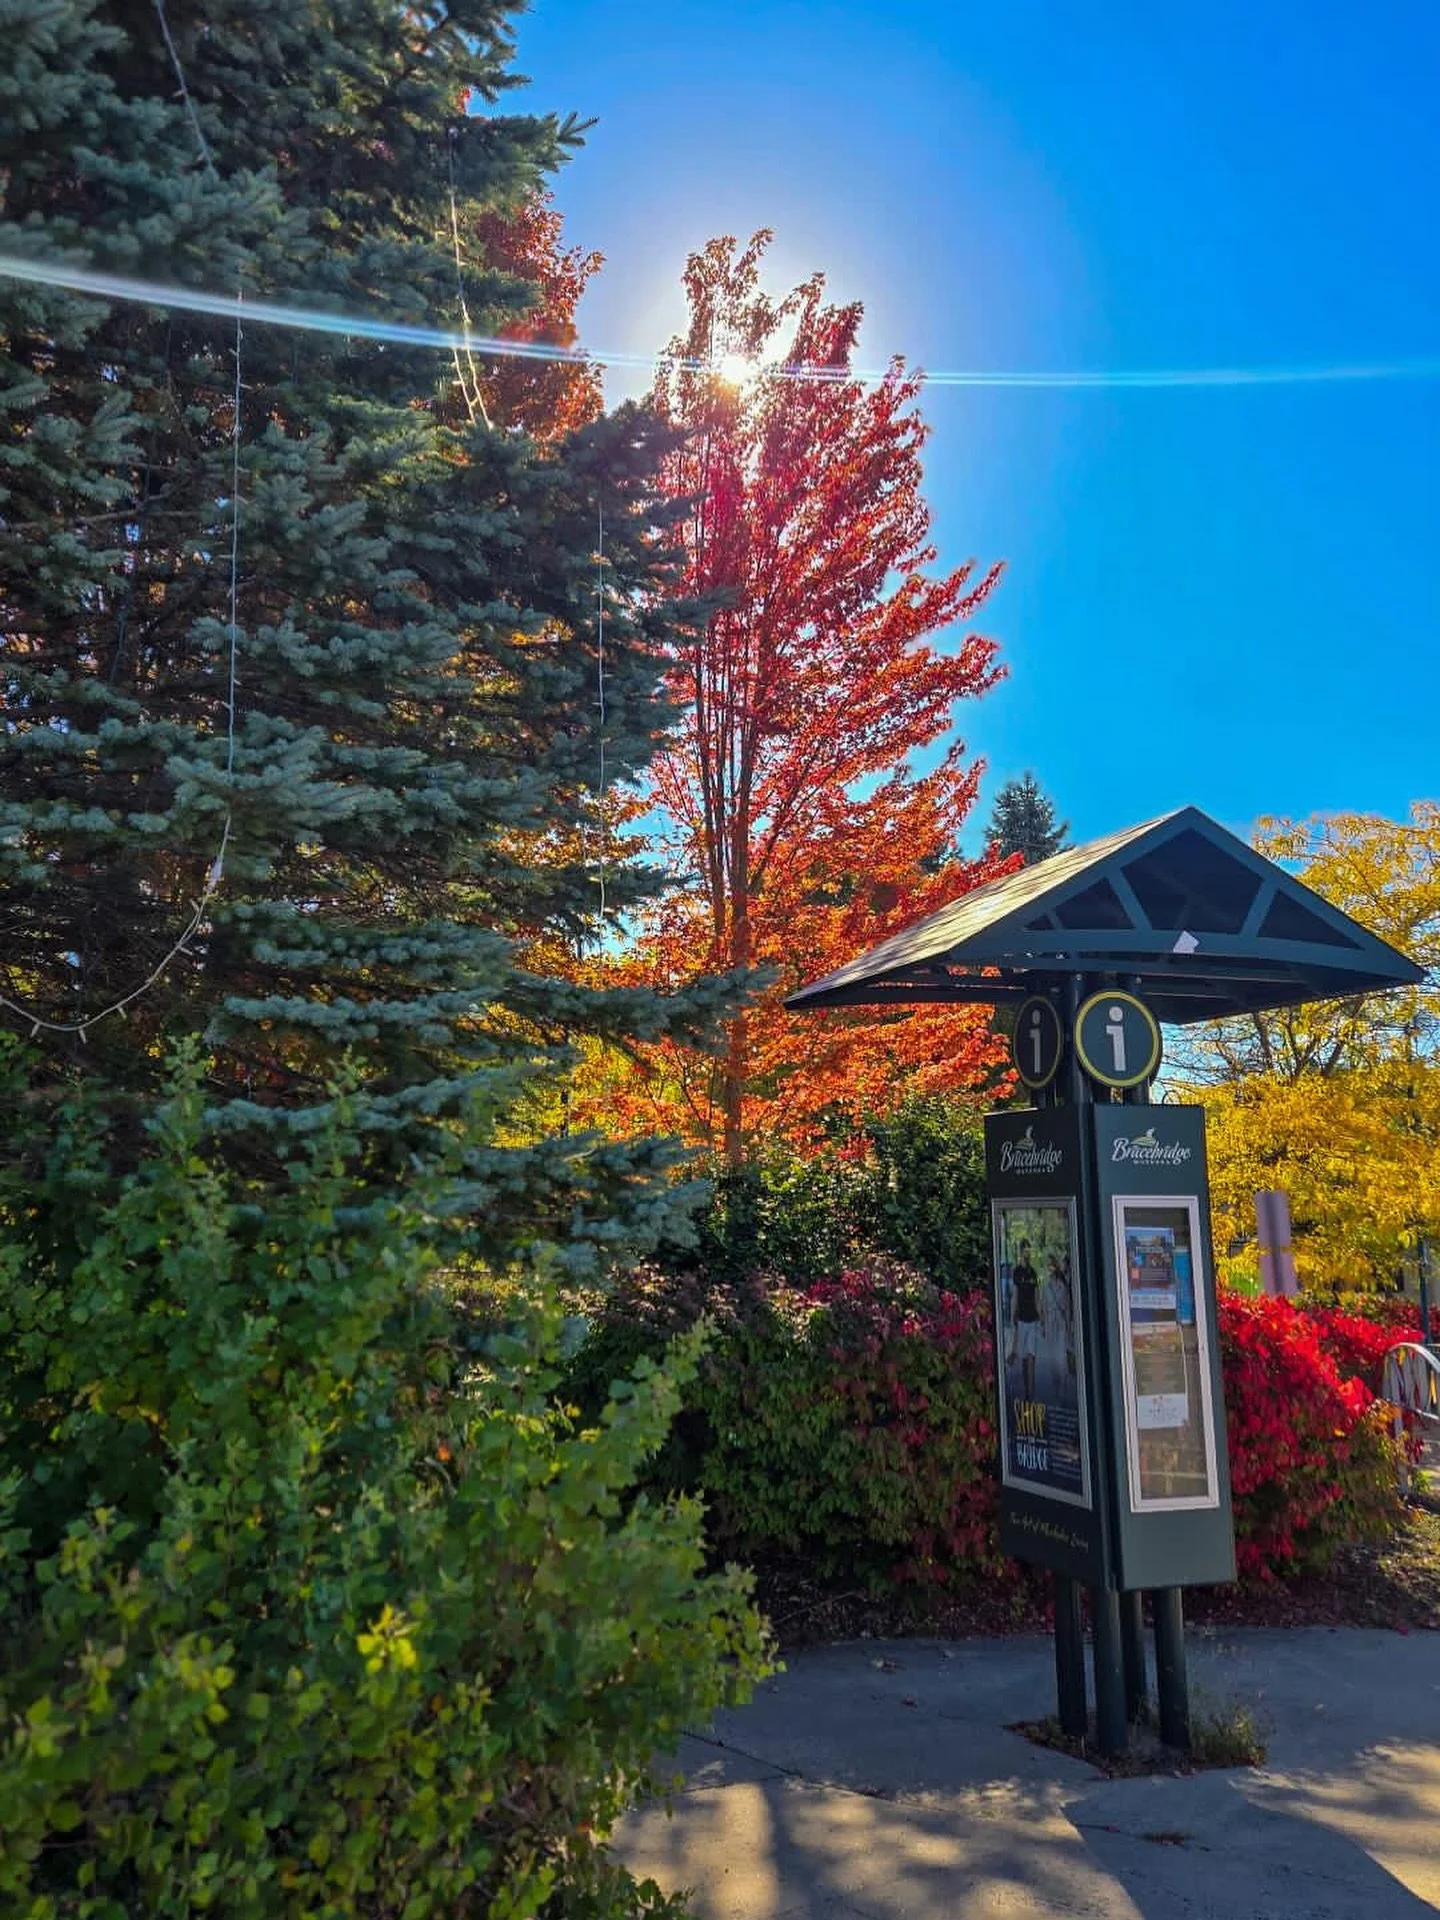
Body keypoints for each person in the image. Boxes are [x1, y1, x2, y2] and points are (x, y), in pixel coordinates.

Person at [1006, 1237, 1042, 1402]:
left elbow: (1036, 1296)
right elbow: (1015, 1295)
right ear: (1021, 1252)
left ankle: (1030, 1393)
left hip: (1032, 1318)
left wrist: (1041, 1317)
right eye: (1025, 1250)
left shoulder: (1033, 1273)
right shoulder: (1017, 1272)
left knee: (1031, 1356)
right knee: (1022, 1356)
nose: (1027, 1253)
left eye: (1029, 1250)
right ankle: (1025, 1385)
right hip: (1020, 1318)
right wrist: (1013, 1313)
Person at [1046, 1251, 1075, 1379]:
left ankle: (1070, 1369)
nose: (1064, 1265)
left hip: (1068, 1317)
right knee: (1066, 1344)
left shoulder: (1068, 1279)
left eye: (1065, 1262)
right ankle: (1068, 1369)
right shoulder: (1063, 1279)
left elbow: (1068, 1301)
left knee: (1068, 1344)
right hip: (1063, 1317)